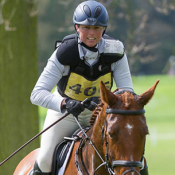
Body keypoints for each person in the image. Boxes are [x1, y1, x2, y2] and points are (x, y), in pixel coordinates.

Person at [29, 0, 148, 175]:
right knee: (45, 159)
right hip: (66, 115)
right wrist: (64, 103)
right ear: (77, 28)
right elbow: (37, 93)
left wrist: (101, 101)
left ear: (104, 29)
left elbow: (126, 94)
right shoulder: (64, 53)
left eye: (97, 28)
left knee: (138, 161)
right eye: (86, 28)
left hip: (103, 116)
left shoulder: (115, 52)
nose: (91, 33)